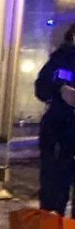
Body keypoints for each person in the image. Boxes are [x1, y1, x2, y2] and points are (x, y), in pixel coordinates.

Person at [35, 24, 75, 215]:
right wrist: (58, 91)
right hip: (58, 132)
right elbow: (41, 87)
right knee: (53, 192)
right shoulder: (60, 58)